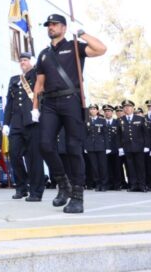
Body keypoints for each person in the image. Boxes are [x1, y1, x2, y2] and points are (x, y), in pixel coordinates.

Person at [32, 14, 106, 214]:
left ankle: (77, 197)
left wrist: (81, 33)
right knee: (45, 145)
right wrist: (35, 107)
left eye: (55, 24)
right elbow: (39, 83)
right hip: (49, 103)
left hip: (71, 100)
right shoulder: (44, 54)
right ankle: (63, 184)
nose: (51, 27)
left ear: (64, 28)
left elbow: (101, 49)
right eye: (48, 25)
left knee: (74, 148)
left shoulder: (74, 46)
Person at [4, 52, 45, 201]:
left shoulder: (37, 75)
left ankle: (36, 191)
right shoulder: (14, 80)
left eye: (26, 60)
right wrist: (5, 123)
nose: (23, 62)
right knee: (14, 155)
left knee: (34, 158)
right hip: (16, 123)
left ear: (31, 62)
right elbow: (9, 103)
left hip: (32, 121)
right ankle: (21, 187)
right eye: (21, 60)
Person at [117, 100, 146, 192]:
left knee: (140, 167)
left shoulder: (140, 119)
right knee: (130, 167)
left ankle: (142, 185)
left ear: (133, 108)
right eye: (125, 107)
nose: (127, 108)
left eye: (129, 106)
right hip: (127, 147)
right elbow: (119, 135)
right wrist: (120, 148)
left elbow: (145, 134)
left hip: (139, 147)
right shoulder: (120, 120)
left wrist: (146, 146)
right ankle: (133, 185)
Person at [83, 103, 109, 192]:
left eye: (94, 109)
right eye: (91, 109)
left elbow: (105, 135)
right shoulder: (86, 121)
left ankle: (104, 184)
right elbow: (84, 135)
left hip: (101, 146)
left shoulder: (102, 120)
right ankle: (98, 184)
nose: (92, 110)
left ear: (97, 111)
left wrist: (107, 147)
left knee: (103, 166)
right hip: (90, 147)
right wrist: (85, 147)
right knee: (94, 166)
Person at [103, 104, 122, 190]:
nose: (107, 113)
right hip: (105, 148)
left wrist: (120, 147)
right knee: (107, 167)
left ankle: (117, 184)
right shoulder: (102, 122)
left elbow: (120, 135)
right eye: (106, 111)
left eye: (109, 111)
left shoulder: (117, 122)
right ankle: (109, 184)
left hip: (116, 148)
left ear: (112, 112)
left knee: (117, 167)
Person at [145, 101, 151, 191]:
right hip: (148, 146)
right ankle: (150, 184)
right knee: (148, 166)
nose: (150, 108)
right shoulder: (144, 118)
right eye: (149, 106)